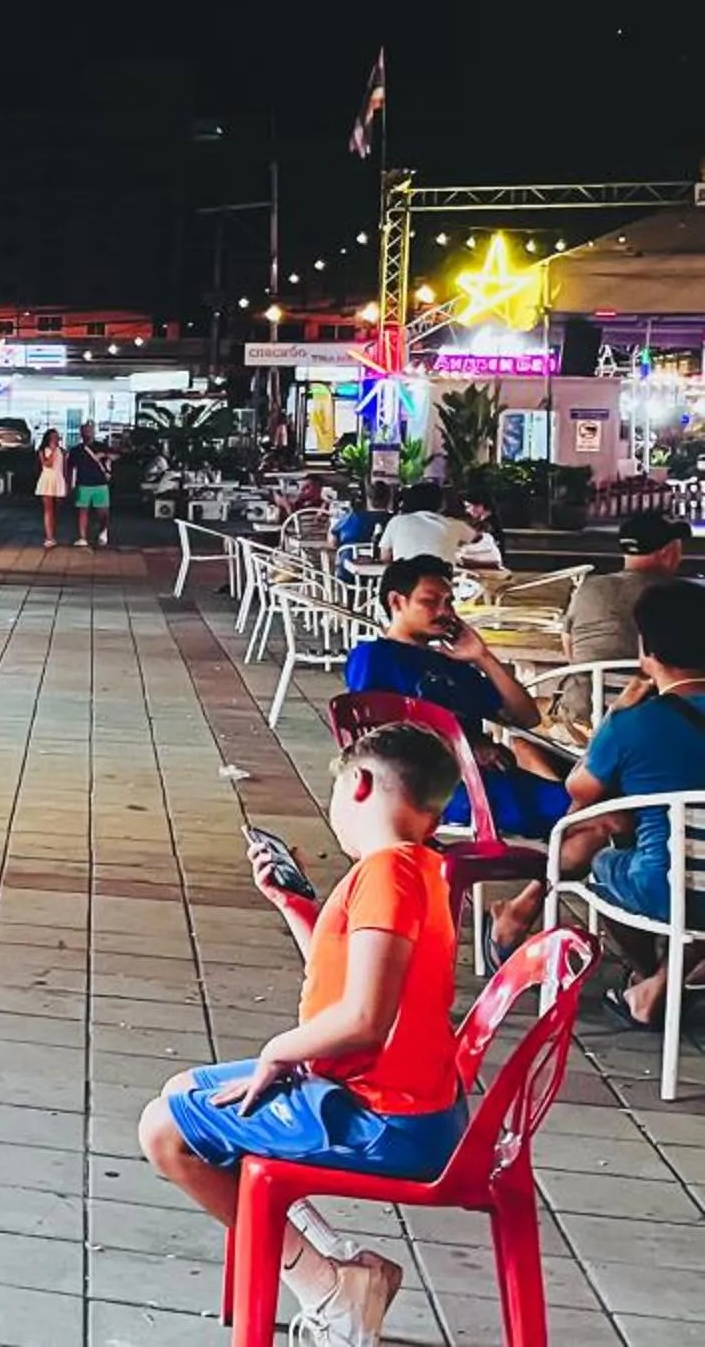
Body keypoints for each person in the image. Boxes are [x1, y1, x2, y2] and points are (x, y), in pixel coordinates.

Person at [138, 721, 467, 1347]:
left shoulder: (387, 876)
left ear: (360, 784)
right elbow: (349, 979)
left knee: (165, 1132)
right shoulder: (419, 869)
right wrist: (295, 907)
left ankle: (325, 1286)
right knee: (184, 1092)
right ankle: (339, 1265)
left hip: (384, 1119)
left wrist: (279, 1051)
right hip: (410, 1105)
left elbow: (364, 1018)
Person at [492, 579, 705, 1027]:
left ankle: (649, 980)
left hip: (666, 887)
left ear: (647, 650)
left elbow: (580, 789)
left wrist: (614, 715)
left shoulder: (635, 723)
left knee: (603, 856)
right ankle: (664, 981)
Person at [344, 555, 569, 836]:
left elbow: (526, 717)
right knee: (586, 814)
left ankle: (558, 864)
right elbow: (375, 737)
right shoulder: (375, 656)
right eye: (429, 601)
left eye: (449, 602)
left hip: (488, 782)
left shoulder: (451, 664)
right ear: (396, 602)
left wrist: (483, 657)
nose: (444, 611)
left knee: (591, 811)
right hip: (433, 788)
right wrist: (462, 748)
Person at [565, 509, 689, 678]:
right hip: (655, 694)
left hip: (586, 693)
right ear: (667, 554)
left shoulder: (588, 589)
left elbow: (569, 648)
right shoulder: (684, 596)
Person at [375, 482, 480, 564]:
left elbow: (385, 557)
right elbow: (478, 540)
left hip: (405, 580)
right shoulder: (454, 524)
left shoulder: (396, 522)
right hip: (442, 580)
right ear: (441, 504)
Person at [69, 421, 114, 550]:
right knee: (83, 511)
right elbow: (71, 468)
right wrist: (71, 485)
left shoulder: (102, 446)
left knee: (103, 512)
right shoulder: (76, 450)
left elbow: (116, 456)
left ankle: (103, 532)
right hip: (83, 484)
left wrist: (104, 455)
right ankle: (82, 537)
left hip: (100, 483)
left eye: (90, 431)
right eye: (85, 431)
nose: (87, 434)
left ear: (94, 432)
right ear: (81, 433)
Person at [34, 427, 69, 548]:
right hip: (47, 479)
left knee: (57, 509)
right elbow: (47, 464)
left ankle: (53, 533)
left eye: (57, 437)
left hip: (58, 479)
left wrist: (67, 482)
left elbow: (64, 468)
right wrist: (53, 451)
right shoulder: (43, 450)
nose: (56, 439)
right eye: (54, 437)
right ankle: (49, 537)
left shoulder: (62, 451)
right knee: (48, 509)